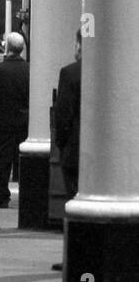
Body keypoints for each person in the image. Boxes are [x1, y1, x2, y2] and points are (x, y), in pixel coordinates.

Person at [0, 32, 30, 208]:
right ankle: (26, 197)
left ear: (7, 48)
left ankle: (2, 197)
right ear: (22, 49)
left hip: (1, 124)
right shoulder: (29, 70)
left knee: (2, 165)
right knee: (23, 163)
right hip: (24, 124)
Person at [55, 30, 82, 201]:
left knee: (73, 197)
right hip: (107, 154)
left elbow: (63, 113)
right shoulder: (113, 73)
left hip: (74, 148)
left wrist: (61, 143)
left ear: (79, 45)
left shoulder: (70, 73)